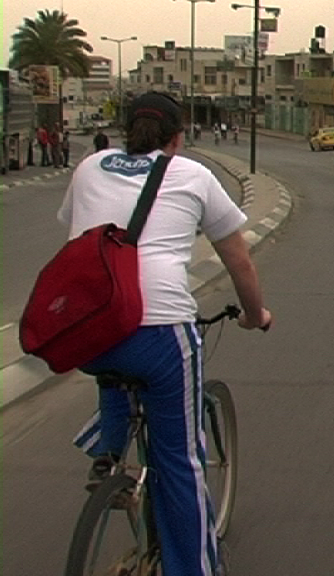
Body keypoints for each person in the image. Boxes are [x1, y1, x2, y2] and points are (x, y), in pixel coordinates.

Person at [59, 91, 272, 575]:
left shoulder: (90, 167)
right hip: (160, 332)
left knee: (113, 360)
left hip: (86, 327)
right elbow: (238, 259)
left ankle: (109, 455)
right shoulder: (193, 174)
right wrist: (254, 314)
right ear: (178, 138)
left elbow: (75, 236)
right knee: (179, 465)